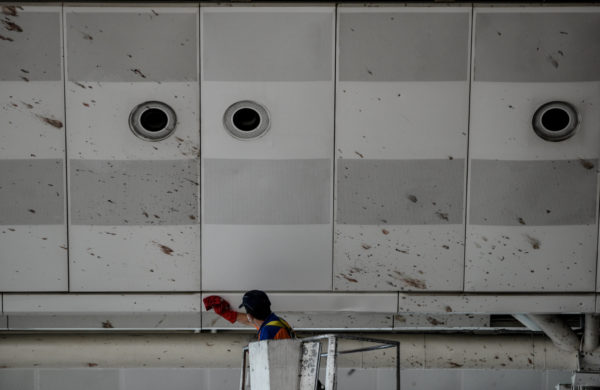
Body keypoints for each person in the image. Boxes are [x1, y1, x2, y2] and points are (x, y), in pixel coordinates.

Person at [203, 290, 294, 340]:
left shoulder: (267, 332)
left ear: (250, 316)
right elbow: (247, 320)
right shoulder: (276, 322)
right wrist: (225, 313)